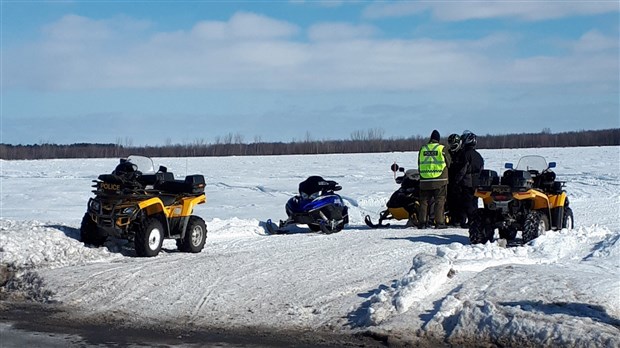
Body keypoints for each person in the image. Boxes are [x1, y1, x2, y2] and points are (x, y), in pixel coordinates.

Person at [417, 129, 451, 229]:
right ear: (438, 139)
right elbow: (448, 162)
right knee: (439, 201)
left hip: (424, 180)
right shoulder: (442, 149)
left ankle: (422, 222)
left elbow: (419, 163)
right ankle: (439, 222)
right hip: (440, 180)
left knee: (424, 202)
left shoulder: (423, 149)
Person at [456, 130, 484, 227]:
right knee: (474, 203)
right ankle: (474, 220)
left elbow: (462, 169)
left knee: (466, 203)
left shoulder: (465, 154)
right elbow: (481, 169)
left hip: (467, 182)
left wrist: (457, 181)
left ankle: (469, 221)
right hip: (476, 183)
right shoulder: (478, 155)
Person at [446, 133, 464, 226]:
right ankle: (452, 218)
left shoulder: (462, 153)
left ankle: (459, 219)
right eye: (451, 144)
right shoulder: (448, 153)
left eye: (454, 145)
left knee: (459, 201)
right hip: (449, 180)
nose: (452, 147)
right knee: (450, 200)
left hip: (459, 181)